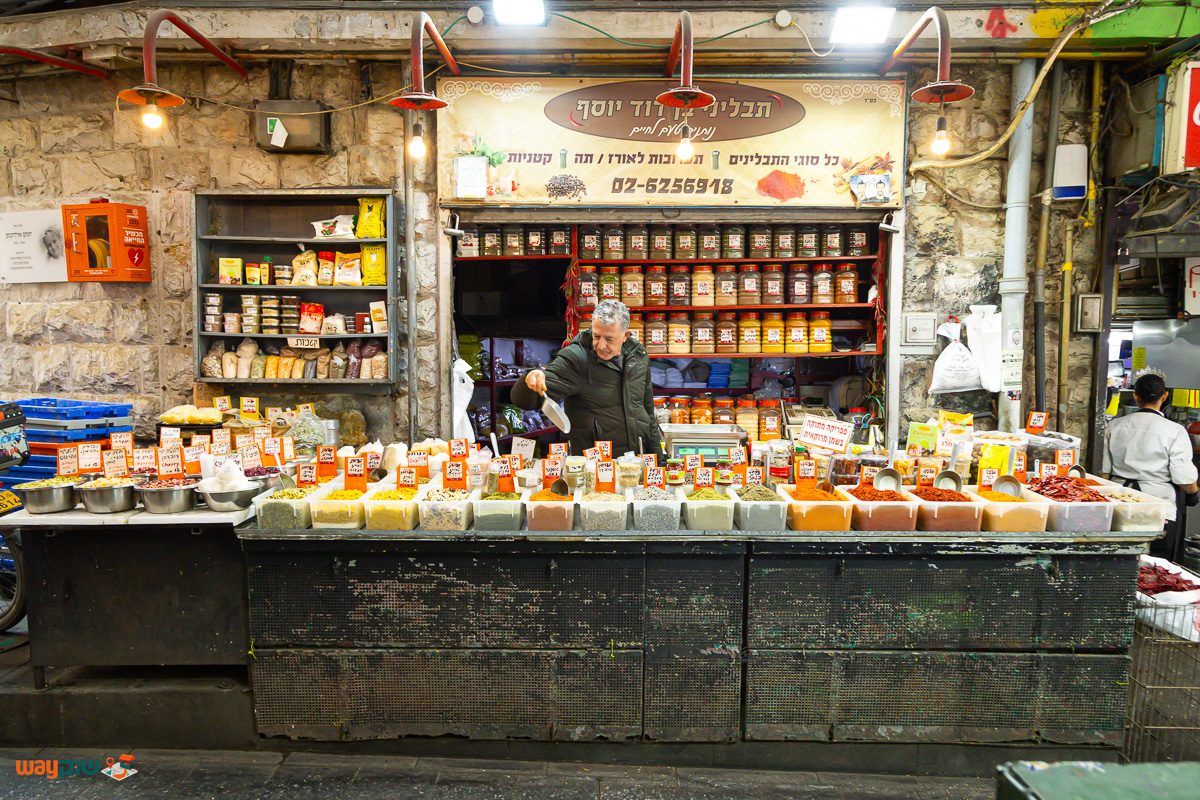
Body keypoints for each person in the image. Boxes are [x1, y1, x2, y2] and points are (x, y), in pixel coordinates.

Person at [511, 299, 661, 456]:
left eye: (609, 339)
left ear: (625, 335)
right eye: (597, 336)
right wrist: (529, 378)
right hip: (595, 465)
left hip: (636, 462)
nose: (601, 345)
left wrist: (659, 460)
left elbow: (648, 412)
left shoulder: (638, 356)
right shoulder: (577, 358)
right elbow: (525, 400)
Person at [1105, 373, 1199, 559]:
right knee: (1157, 568)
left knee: (1120, 561)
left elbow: (1104, 473)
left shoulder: (1114, 426)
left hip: (1120, 504)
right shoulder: (1175, 431)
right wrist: (1193, 494)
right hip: (1159, 509)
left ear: (1135, 396)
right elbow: (1183, 477)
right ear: (1164, 396)